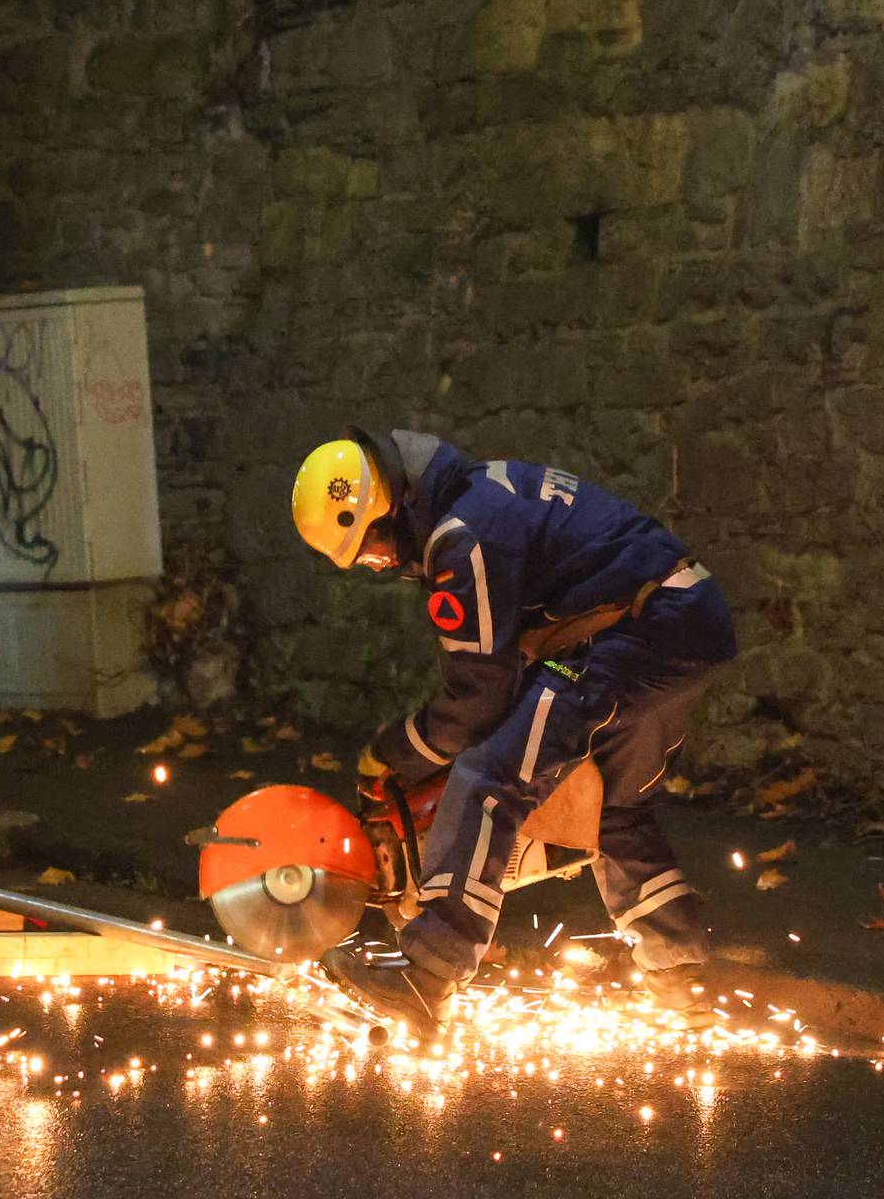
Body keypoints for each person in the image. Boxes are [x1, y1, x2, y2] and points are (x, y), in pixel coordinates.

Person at [292, 429, 737, 1032]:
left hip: (636, 632)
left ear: (387, 508)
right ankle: (682, 976)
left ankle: (429, 970)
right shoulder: (481, 494)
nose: (377, 564)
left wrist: (392, 751)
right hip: (682, 617)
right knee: (613, 807)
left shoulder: (459, 535)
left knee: (490, 774)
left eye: (369, 548)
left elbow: (478, 698)